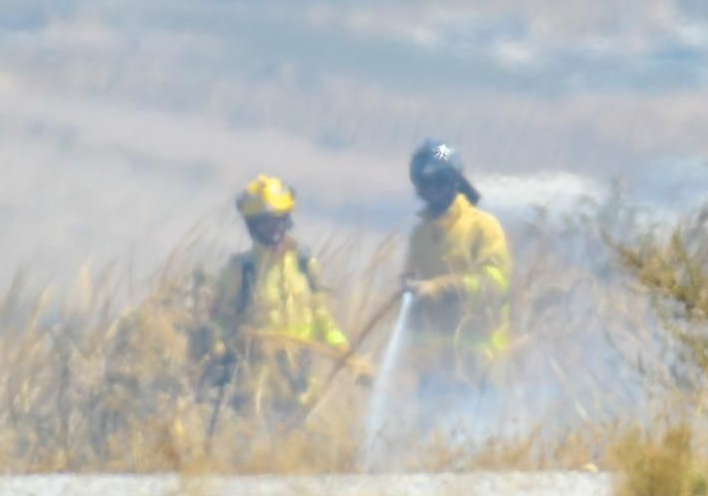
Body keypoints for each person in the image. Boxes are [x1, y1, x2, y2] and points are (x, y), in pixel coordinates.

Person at [198, 175, 372, 419]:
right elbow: (219, 321)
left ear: (287, 219)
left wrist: (350, 358)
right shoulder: (240, 270)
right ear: (252, 226)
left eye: (278, 220)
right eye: (265, 223)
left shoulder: (305, 265)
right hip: (255, 393)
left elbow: (324, 323)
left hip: (301, 389)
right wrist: (217, 349)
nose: (274, 229)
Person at [400, 140, 512, 403]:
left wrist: (442, 287)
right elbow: (413, 290)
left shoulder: (483, 227)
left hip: (480, 367)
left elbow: (494, 283)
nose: (433, 189)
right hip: (434, 373)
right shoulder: (420, 235)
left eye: (440, 181)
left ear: (455, 182)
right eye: (426, 183)